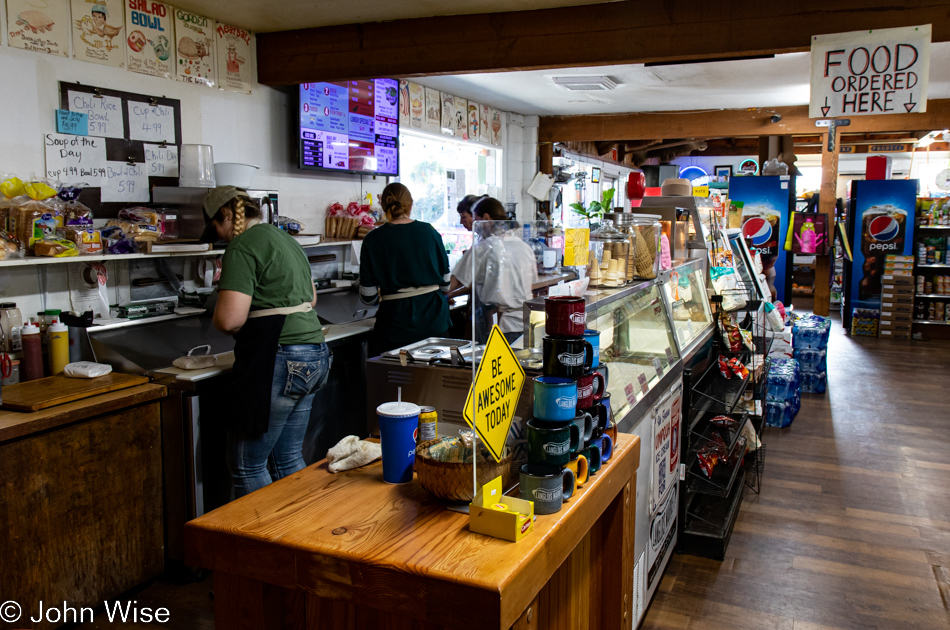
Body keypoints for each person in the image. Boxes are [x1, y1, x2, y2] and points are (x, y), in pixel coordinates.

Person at [203, 186, 331, 498]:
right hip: (315, 351)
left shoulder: (242, 247)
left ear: (225, 216)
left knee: (247, 465)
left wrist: (220, 303)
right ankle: (299, 535)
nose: (218, 236)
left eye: (215, 227)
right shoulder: (286, 239)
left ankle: (266, 542)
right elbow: (311, 300)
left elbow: (229, 320)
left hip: (280, 356)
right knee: (288, 458)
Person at [359, 182, 452, 356]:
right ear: (411, 205)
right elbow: (446, 286)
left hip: (395, 327)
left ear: (383, 206)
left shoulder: (373, 239)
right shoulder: (430, 232)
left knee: (395, 381)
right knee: (435, 381)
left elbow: (368, 296)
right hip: (435, 324)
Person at [450, 196, 537, 343]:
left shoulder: (483, 247)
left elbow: (453, 283)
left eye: (476, 219)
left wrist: (441, 294)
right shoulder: (524, 247)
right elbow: (531, 286)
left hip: (499, 326)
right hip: (524, 325)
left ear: (486, 218)